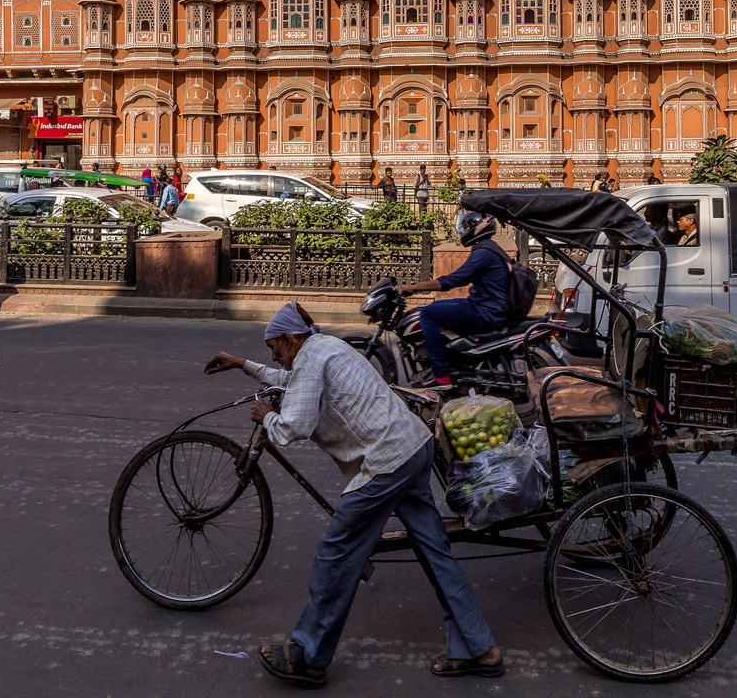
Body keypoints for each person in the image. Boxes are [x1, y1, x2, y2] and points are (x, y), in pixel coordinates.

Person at [204, 302, 501, 687]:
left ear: (290, 338)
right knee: (434, 551)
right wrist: (242, 363)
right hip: (412, 446)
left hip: (387, 461)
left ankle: (307, 656)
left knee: (337, 552)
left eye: (274, 346)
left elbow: (295, 426)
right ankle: (480, 648)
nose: (273, 355)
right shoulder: (323, 346)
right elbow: (289, 378)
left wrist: (268, 417)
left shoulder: (310, 360)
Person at [396, 210, 513, 389]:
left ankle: (441, 375)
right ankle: (451, 358)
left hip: (485, 311)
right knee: (436, 306)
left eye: (466, 227)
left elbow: (453, 280)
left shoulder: (483, 252)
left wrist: (413, 287)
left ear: (477, 228)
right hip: (485, 305)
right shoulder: (488, 247)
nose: (463, 231)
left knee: (427, 313)